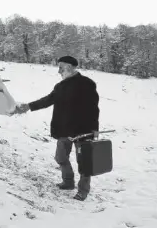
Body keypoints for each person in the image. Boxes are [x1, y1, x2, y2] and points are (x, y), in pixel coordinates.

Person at [13, 55, 100, 201]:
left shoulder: (87, 84)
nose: (58, 71)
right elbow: (48, 100)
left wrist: (94, 128)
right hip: (64, 129)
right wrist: (28, 106)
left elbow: (94, 108)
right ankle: (68, 182)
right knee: (60, 157)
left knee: (84, 162)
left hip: (83, 130)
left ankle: (83, 190)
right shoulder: (60, 86)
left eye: (61, 67)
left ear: (70, 68)